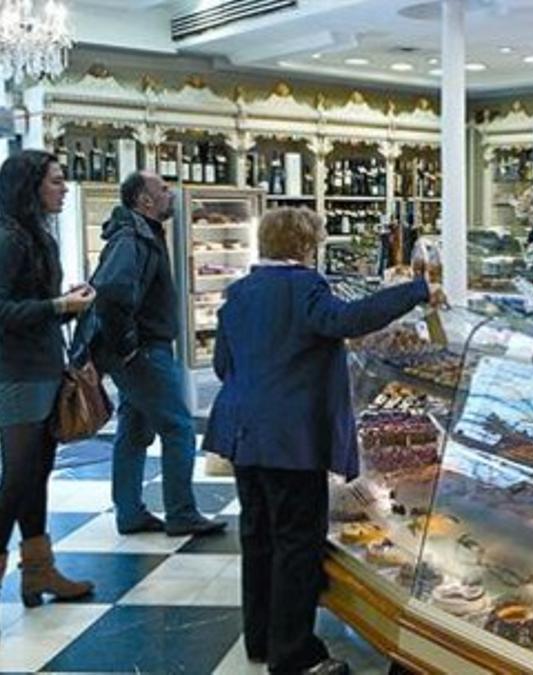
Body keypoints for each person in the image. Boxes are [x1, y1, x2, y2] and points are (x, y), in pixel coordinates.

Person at [203, 208, 443, 675]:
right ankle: (293, 655)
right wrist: (417, 291)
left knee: (258, 536)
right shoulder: (304, 287)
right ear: (305, 245)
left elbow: (221, 365)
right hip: (290, 439)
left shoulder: (239, 292)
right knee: (297, 542)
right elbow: (348, 320)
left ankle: (261, 639)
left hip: (241, 434)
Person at [91, 171, 225, 537]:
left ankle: (130, 511)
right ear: (144, 201)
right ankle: (181, 512)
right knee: (179, 427)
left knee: (134, 430)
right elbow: (113, 291)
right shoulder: (135, 238)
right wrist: (128, 347)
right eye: (163, 189)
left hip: (142, 351)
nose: (171, 194)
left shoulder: (142, 234)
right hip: (145, 352)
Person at [0, 150, 96, 609]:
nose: (63, 189)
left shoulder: (35, 235)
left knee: (36, 471)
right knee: (17, 476)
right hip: (16, 372)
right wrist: (60, 307)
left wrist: (63, 302)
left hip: (41, 366)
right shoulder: (9, 238)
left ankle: (38, 570)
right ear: (31, 186)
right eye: (56, 181)